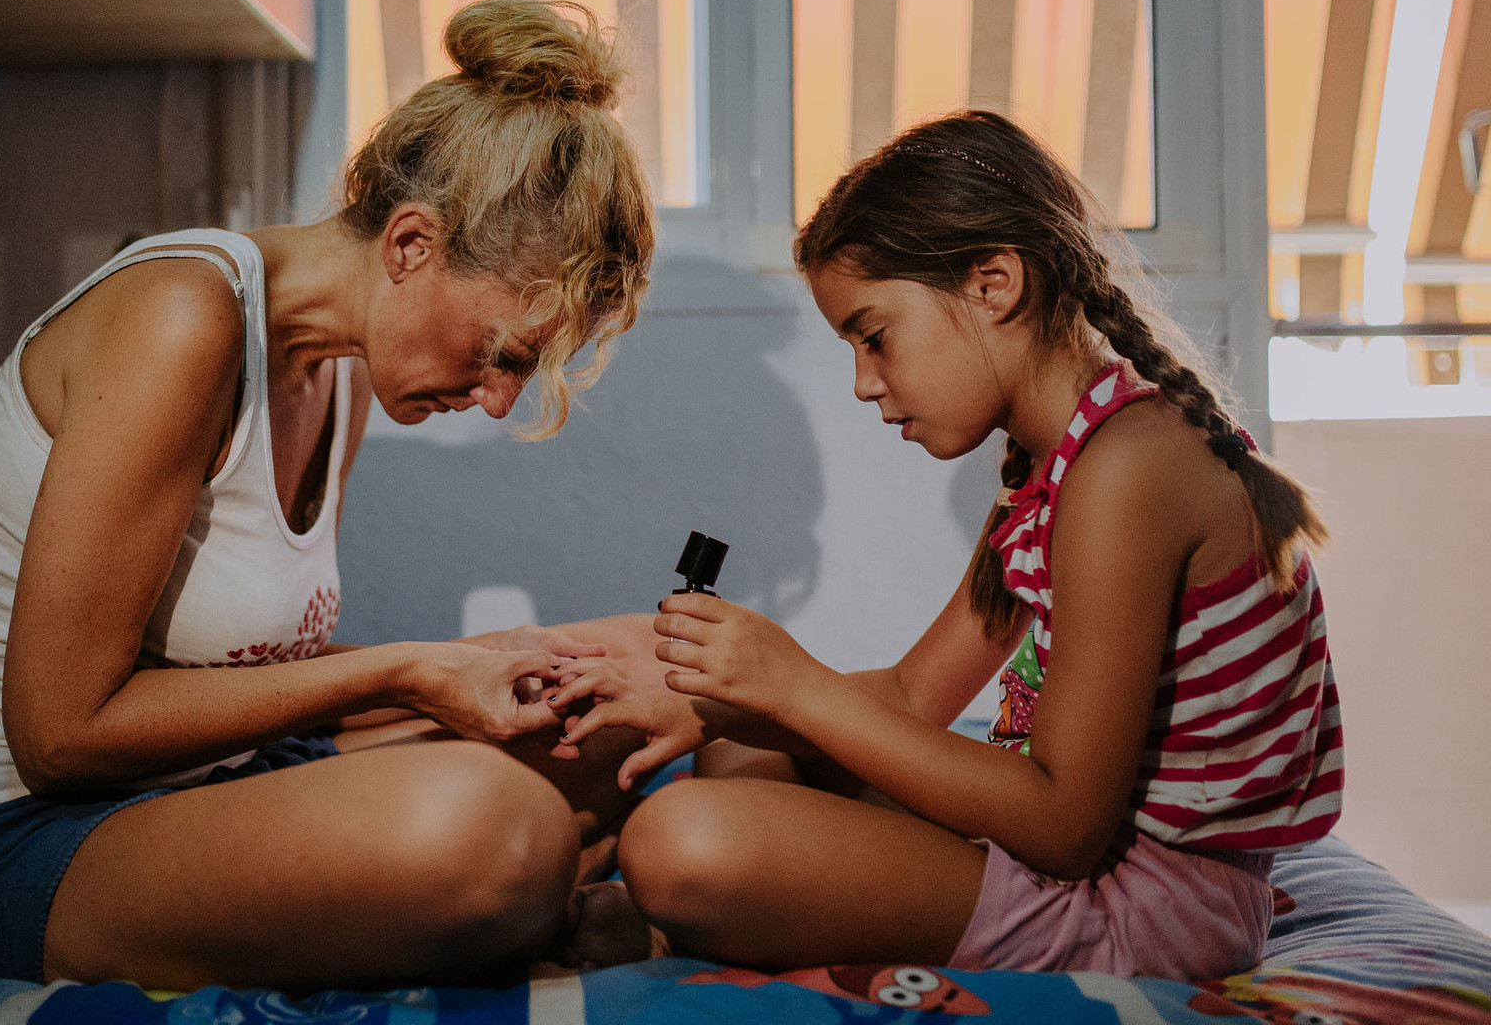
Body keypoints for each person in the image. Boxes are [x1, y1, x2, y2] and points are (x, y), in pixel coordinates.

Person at [0, 0, 662, 992]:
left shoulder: (339, 376)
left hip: (201, 786)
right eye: (503, 353)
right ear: (410, 245)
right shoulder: (179, 319)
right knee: (497, 832)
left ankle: (520, 905)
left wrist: (475, 666)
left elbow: (230, 661)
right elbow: (60, 736)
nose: (497, 399)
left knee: (632, 675)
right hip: (1, 840)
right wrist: (405, 672)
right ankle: (530, 901)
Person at [549, 110, 1343, 981]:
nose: (863, 383)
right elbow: (910, 693)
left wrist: (796, 684)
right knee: (744, 751)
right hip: (1095, 859)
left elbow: (1066, 828)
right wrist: (729, 704)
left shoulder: (1131, 472)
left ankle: (690, 923)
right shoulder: (1058, 466)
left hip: (1145, 903)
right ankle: (706, 916)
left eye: (874, 335)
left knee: (680, 836)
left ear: (992, 284)